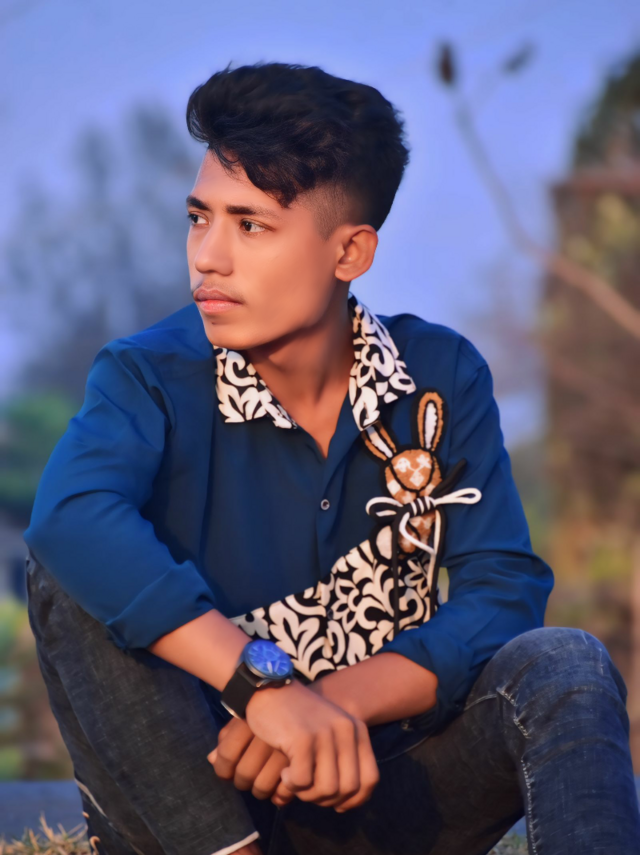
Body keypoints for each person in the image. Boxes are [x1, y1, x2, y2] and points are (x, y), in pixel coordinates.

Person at [23, 60, 640, 855]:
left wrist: (329, 704)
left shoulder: (439, 377)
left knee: (567, 662)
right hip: (200, 801)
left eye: (250, 226)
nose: (208, 256)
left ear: (350, 252)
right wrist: (261, 686)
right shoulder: (147, 376)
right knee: (66, 564)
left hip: (385, 785)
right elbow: (71, 518)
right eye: (199, 217)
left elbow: (503, 589)